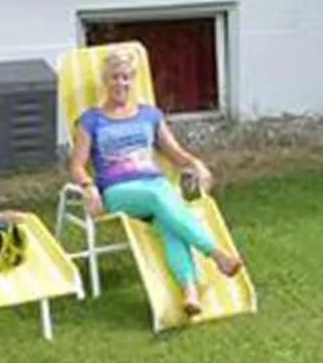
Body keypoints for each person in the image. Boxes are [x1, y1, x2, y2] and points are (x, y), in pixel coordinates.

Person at [70, 46, 242, 317]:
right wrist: (88, 187)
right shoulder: (90, 120)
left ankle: (189, 292)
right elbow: (77, 166)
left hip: (154, 186)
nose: (120, 83)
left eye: (126, 77)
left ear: (133, 80)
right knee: (161, 198)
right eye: (114, 77)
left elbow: (175, 154)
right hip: (118, 191)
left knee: (169, 224)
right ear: (105, 81)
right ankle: (216, 254)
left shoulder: (150, 115)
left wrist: (196, 164)